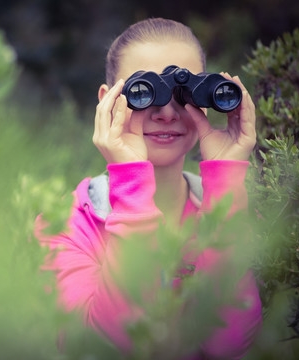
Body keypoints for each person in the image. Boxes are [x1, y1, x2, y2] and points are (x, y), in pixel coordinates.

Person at [36, 18, 262, 359]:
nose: (167, 113)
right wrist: (129, 176)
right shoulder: (64, 225)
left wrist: (226, 183)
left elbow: (228, 345)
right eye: (144, 92)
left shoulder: (239, 211)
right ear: (107, 101)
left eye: (183, 95)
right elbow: (105, 345)